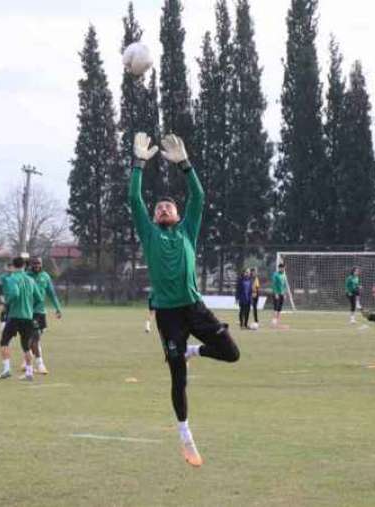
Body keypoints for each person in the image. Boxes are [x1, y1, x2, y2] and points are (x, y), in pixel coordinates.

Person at [130, 132, 240, 468]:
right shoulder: (149, 233)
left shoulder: (188, 229)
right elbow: (133, 198)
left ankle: (194, 350)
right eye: (159, 207)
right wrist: (139, 164)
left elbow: (199, 195)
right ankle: (185, 435)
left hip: (194, 308)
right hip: (168, 314)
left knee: (231, 353)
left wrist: (184, 164)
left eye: (169, 206)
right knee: (178, 377)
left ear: (177, 214)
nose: (163, 208)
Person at [0, 256, 43, 381]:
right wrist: (29, 307)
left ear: (13, 266)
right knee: (26, 346)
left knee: (4, 342)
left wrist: (6, 305)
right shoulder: (30, 280)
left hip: (14, 316)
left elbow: (14, 293)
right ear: (24, 266)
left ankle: (6, 370)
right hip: (28, 317)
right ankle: (29, 373)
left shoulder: (12, 278)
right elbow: (39, 298)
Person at [25, 256, 63, 375]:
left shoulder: (45, 276)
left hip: (41, 312)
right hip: (29, 312)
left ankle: (28, 358)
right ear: (31, 264)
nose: (37, 265)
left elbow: (51, 293)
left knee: (35, 339)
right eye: (35, 263)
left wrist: (58, 308)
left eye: (39, 263)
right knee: (34, 338)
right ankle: (40, 365)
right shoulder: (26, 276)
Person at [0, 261, 13, 332]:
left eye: (11, 267)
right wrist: (1, 296)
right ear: (5, 268)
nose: (10, 269)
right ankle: (2, 326)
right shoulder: (2, 277)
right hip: (4, 297)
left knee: (11, 312)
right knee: (3, 311)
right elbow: (0, 287)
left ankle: (10, 327)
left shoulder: (15, 276)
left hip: (12, 297)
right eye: (8, 267)